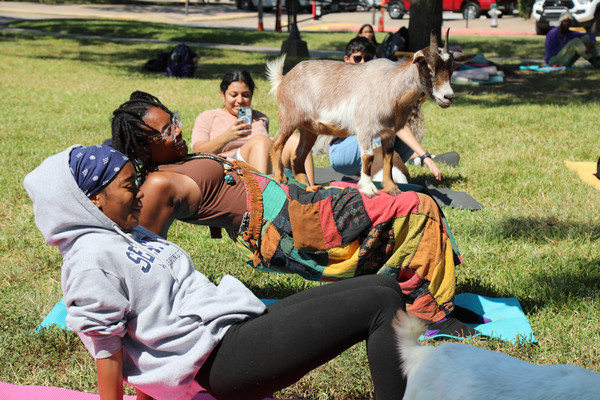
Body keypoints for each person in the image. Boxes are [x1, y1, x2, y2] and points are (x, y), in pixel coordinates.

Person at [24, 144, 409, 400]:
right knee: (378, 304)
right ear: (93, 199)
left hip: (231, 326)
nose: (140, 193)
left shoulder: (128, 230)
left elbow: (149, 329)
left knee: (385, 286)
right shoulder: (89, 259)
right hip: (219, 359)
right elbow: (110, 348)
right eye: (128, 187)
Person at [110, 90, 482, 337]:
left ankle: (427, 300)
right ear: (142, 148)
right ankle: (433, 316)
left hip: (300, 202)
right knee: (418, 207)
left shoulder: (176, 160)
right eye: (165, 131)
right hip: (291, 224)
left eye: (173, 120)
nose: (176, 131)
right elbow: (148, 254)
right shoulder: (159, 185)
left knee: (410, 207)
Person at [330, 37, 444, 182]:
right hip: (341, 152)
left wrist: (423, 155)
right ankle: (379, 177)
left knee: (411, 131)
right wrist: (424, 156)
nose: (363, 63)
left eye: (368, 58)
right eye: (357, 58)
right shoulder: (342, 84)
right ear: (346, 59)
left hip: (363, 144)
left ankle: (381, 170)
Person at [191, 70, 315, 184]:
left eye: (245, 95)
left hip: (261, 165)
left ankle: (310, 192)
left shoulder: (260, 118)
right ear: (223, 95)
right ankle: (262, 198)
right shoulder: (208, 117)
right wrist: (227, 137)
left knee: (297, 140)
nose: (240, 100)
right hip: (229, 168)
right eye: (233, 95)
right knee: (261, 141)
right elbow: (198, 152)